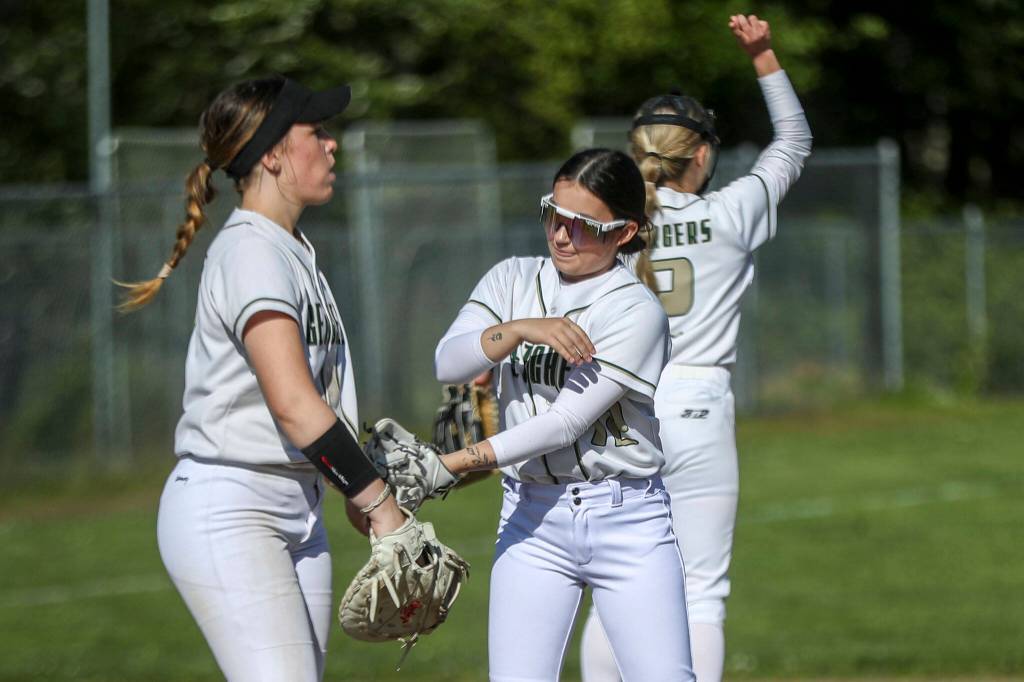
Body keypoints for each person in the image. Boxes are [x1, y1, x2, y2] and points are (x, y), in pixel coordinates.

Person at [118, 75, 406, 682]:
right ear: (273, 154)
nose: (332, 146)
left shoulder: (290, 247)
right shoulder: (253, 251)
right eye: (317, 132)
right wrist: (377, 502)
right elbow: (295, 406)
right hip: (232, 507)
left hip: (295, 508)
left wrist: (356, 481)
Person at [580, 14, 813, 682]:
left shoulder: (610, 231)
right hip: (698, 405)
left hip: (621, 406)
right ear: (702, 153)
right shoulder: (730, 212)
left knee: (617, 585)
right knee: (700, 589)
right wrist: (763, 54)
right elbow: (794, 140)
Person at [433, 148, 696, 681]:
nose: (561, 234)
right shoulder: (510, 278)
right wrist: (521, 328)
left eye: (583, 225)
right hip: (531, 517)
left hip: (626, 518)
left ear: (625, 233)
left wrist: (457, 462)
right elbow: (448, 361)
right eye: (554, 214)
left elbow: (564, 423)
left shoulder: (635, 308)